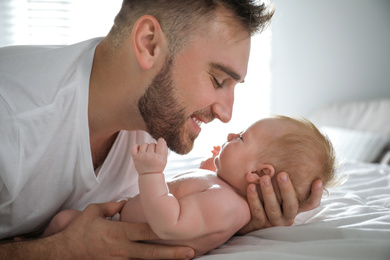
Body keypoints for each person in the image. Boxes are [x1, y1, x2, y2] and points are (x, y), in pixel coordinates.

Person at [0, 0, 324, 258]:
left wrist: (248, 218)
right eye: (218, 80)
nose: (227, 115)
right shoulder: (12, 120)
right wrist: (53, 251)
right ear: (149, 44)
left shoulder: (150, 114)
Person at [42, 115, 336, 257]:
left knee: (64, 222)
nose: (232, 132)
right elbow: (193, 197)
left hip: (129, 247)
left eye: (242, 138)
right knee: (64, 220)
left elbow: (169, 223)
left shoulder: (227, 206)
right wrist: (210, 168)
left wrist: (151, 174)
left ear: (259, 172)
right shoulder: (223, 191)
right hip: (118, 227)